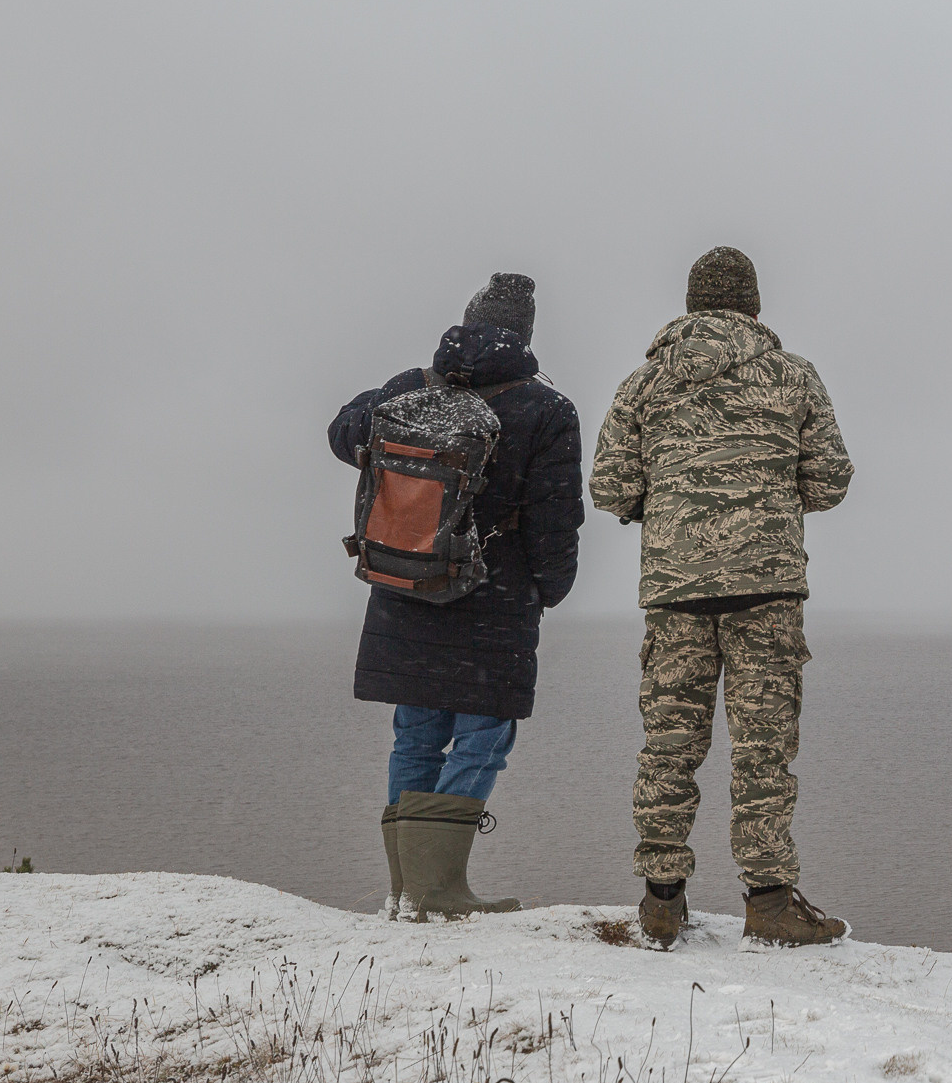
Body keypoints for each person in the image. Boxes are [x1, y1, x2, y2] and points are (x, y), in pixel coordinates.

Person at [591, 247, 854, 948]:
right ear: (754, 305)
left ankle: (661, 904)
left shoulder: (643, 385)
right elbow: (830, 480)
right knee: (763, 747)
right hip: (767, 590)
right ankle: (768, 902)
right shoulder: (795, 377)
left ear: (691, 304)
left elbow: (609, 487)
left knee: (669, 743)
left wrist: (669, 501)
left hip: (675, 592)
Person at [330, 272, 583, 919]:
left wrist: (378, 406)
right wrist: (549, 588)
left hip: (406, 592)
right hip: (494, 606)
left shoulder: (411, 388)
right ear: (524, 335)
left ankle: (406, 890)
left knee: (416, 736)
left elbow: (341, 431)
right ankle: (438, 887)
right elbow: (556, 520)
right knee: (482, 738)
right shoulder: (546, 410)